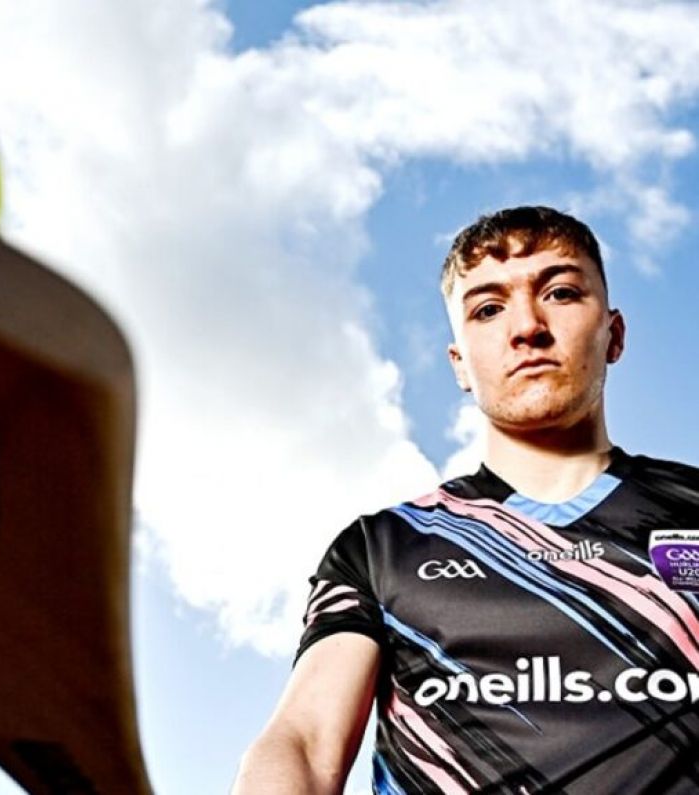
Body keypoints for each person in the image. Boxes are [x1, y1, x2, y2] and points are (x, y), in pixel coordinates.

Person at [231, 206, 699, 794]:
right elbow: (302, 742)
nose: (526, 326)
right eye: (487, 309)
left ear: (615, 334)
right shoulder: (381, 548)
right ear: (459, 364)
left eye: (559, 292)